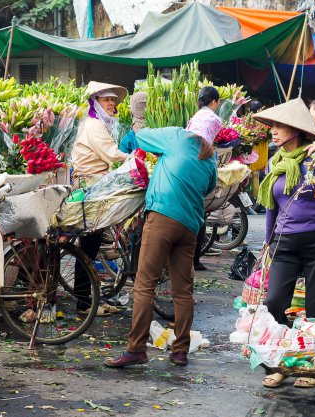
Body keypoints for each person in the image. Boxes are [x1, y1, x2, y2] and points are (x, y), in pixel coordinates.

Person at [103, 108, 220, 368]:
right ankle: (180, 351)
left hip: (163, 217)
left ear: (191, 124)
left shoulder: (177, 136)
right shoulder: (211, 158)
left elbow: (140, 136)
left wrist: (160, 148)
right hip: (190, 226)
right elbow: (210, 187)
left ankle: (136, 349)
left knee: (144, 285)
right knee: (183, 290)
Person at [253, 98, 315, 389]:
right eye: (273, 126)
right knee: (274, 301)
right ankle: (281, 363)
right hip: (284, 242)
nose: (273, 131)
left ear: (296, 129)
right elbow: (270, 207)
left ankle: (311, 367)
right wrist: (267, 244)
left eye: (279, 126)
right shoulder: (276, 163)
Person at [71, 81, 129, 316]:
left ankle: (86, 299)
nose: (112, 104)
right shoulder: (94, 125)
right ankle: (83, 302)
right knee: (88, 246)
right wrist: (136, 158)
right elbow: (112, 154)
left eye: (113, 100)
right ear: (95, 102)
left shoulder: (99, 124)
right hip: (90, 187)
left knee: (90, 246)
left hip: (96, 184)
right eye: (106, 100)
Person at [192, 86, 221, 271]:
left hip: (188, 159)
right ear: (215, 102)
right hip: (201, 162)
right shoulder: (214, 118)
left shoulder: (195, 116)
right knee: (199, 216)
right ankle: (193, 259)